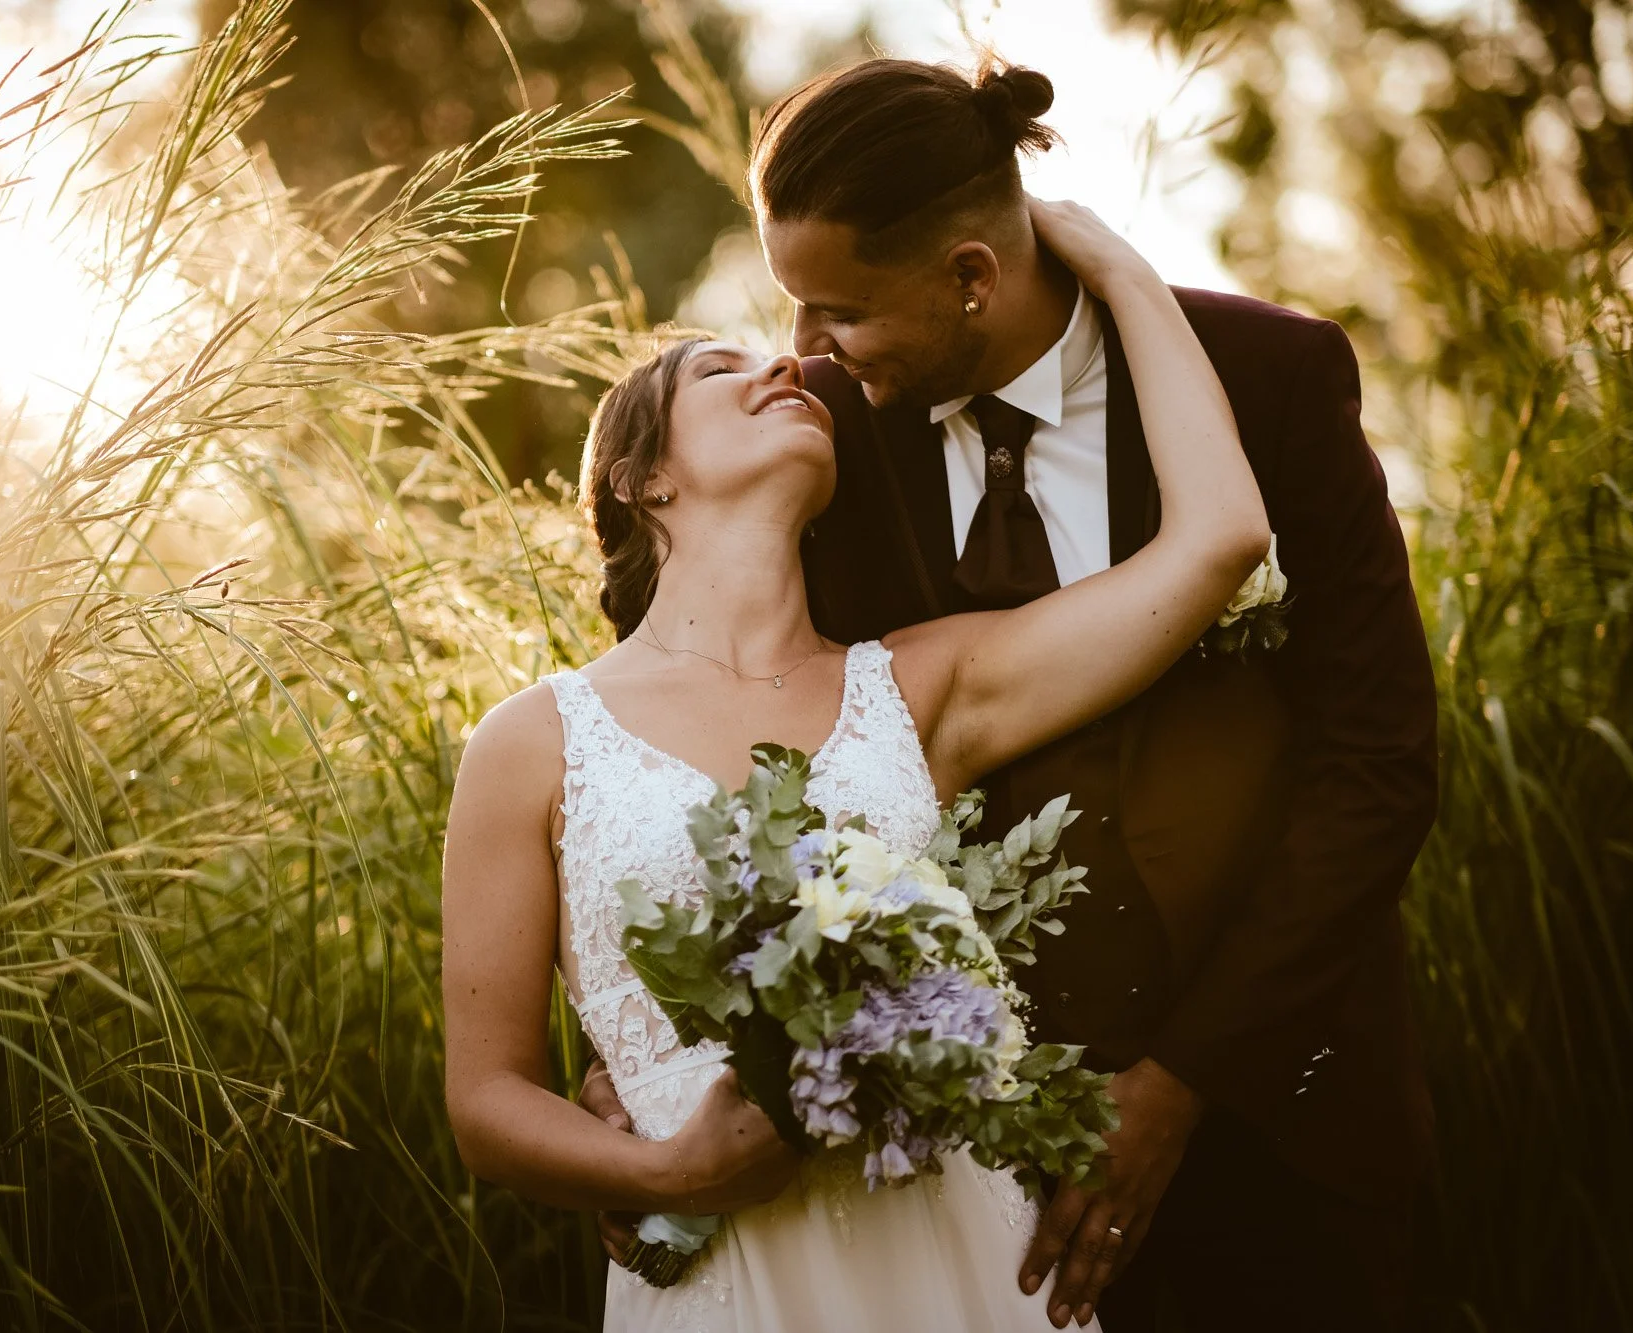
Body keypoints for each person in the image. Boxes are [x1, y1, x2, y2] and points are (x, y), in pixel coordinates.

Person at [610, 55, 1428, 1333]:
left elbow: (1377, 763)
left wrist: (1179, 1079)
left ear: (970, 277)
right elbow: (673, 738)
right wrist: (643, 1072)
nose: (800, 352)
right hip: (958, 1176)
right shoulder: (815, 440)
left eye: (834, 310)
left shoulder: (1262, 379)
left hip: (1286, 1118)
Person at [442, 192, 1269, 1330]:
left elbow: (1220, 541)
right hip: (729, 1276)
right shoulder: (531, 738)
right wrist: (662, 1176)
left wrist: (1120, 276)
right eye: (721, 373)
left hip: (955, 1254)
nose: (786, 371)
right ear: (641, 480)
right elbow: (485, 1097)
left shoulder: (923, 686)